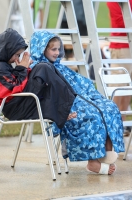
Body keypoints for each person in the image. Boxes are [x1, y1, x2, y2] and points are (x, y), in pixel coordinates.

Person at [29, 30, 125, 175]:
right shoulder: (40, 70)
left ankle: (106, 151)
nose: (57, 53)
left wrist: (92, 97)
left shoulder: (59, 67)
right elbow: (47, 96)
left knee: (109, 107)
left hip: (82, 99)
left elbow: (81, 84)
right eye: (53, 49)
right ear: (42, 49)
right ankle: (93, 162)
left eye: (58, 49)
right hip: (67, 106)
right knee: (90, 115)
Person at [107, 1, 132, 135]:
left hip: (126, 45)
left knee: (127, 88)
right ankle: (114, 124)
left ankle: (122, 123)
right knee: (117, 88)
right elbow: (122, 21)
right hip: (121, 46)